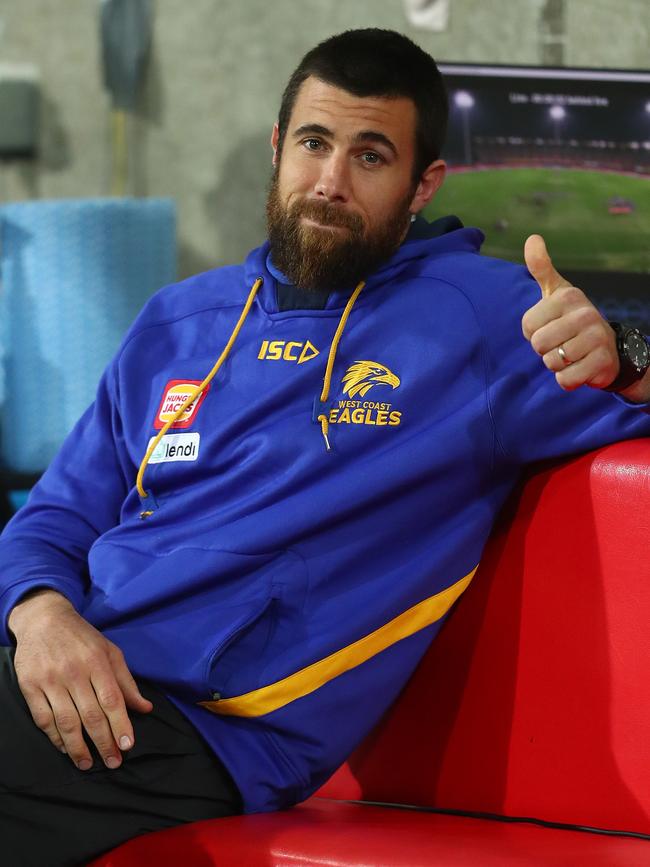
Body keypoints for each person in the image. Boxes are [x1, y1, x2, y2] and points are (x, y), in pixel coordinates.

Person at [2, 28, 650, 867]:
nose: (331, 182)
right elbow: (55, 513)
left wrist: (629, 357)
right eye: (314, 143)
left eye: (371, 157)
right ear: (278, 149)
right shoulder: (176, 320)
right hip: (61, 674)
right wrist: (42, 612)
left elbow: (620, 379)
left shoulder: (483, 320)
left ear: (423, 186)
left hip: (202, 729)